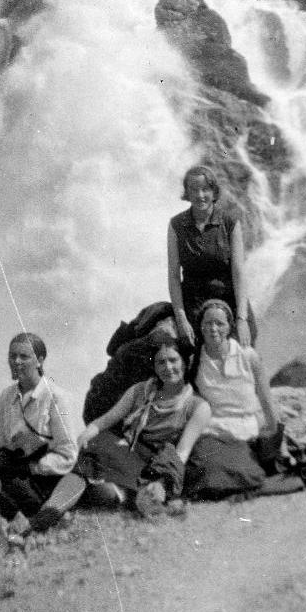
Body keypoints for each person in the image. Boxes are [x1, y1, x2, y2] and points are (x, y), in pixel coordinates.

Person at [36, 334, 211, 528]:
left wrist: (162, 482)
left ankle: (134, 497)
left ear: (185, 362)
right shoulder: (139, 391)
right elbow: (104, 421)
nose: (168, 368)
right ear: (154, 367)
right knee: (92, 452)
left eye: (173, 360)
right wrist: (82, 437)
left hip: (156, 467)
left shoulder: (197, 407)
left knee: (98, 475)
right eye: (161, 362)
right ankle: (46, 516)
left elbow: (182, 452)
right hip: (125, 454)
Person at [184, 299, 281, 499]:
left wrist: (278, 436)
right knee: (206, 465)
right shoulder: (195, 361)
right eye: (208, 323)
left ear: (229, 327)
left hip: (248, 426)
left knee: (243, 469)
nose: (213, 329)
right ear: (200, 326)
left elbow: (266, 400)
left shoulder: (248, 355)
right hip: (214, 430)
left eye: (219, 323)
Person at [0, 332, 78, 531]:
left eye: (23, 356)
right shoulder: (7, 396)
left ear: (40, 360)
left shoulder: (56, 397)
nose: (16, 362)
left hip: (42, 481)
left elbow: (68, 455)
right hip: (13, 475)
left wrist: (31, 468)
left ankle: (27, 522)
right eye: (12, 356)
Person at [168, 164, 256, 347]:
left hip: (229, 299)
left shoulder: (230, 223)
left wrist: (241, 319)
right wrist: (181, 318)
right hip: (194, 303)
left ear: (214, 191)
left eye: (205, 189)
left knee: (245, 350)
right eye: (194, 190)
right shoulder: (176, 225)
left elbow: (238, 273)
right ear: (187, 193)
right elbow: (174, 276)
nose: (200, 195)